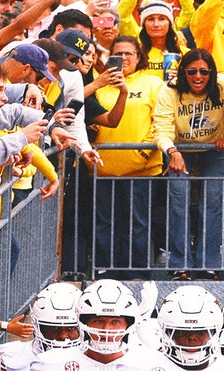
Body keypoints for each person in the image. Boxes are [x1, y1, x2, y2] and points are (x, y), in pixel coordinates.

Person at [154, 48, 224, 278]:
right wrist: (172, 151)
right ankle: (180, 263)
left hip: (215, 147)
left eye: (204, 71)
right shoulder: (168, 90)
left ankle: (209, 262)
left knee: (213, 201)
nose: (198, 76)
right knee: (178, 201)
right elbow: (160, 129)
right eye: (192, 71)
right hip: (180, 147)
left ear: (212, 72)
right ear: (183, 72)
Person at [92, 35, 164, 274]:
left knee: (138, 223)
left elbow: (161, 120)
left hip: (141, 168)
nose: (123, 58)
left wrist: (145, 149)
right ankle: (105, 270)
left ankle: (137, 273)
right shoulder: (99, 85)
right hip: (104, 168)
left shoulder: (153, 83)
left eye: (128, 54)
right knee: (106, 223)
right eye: (118, 54)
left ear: (138, 57)